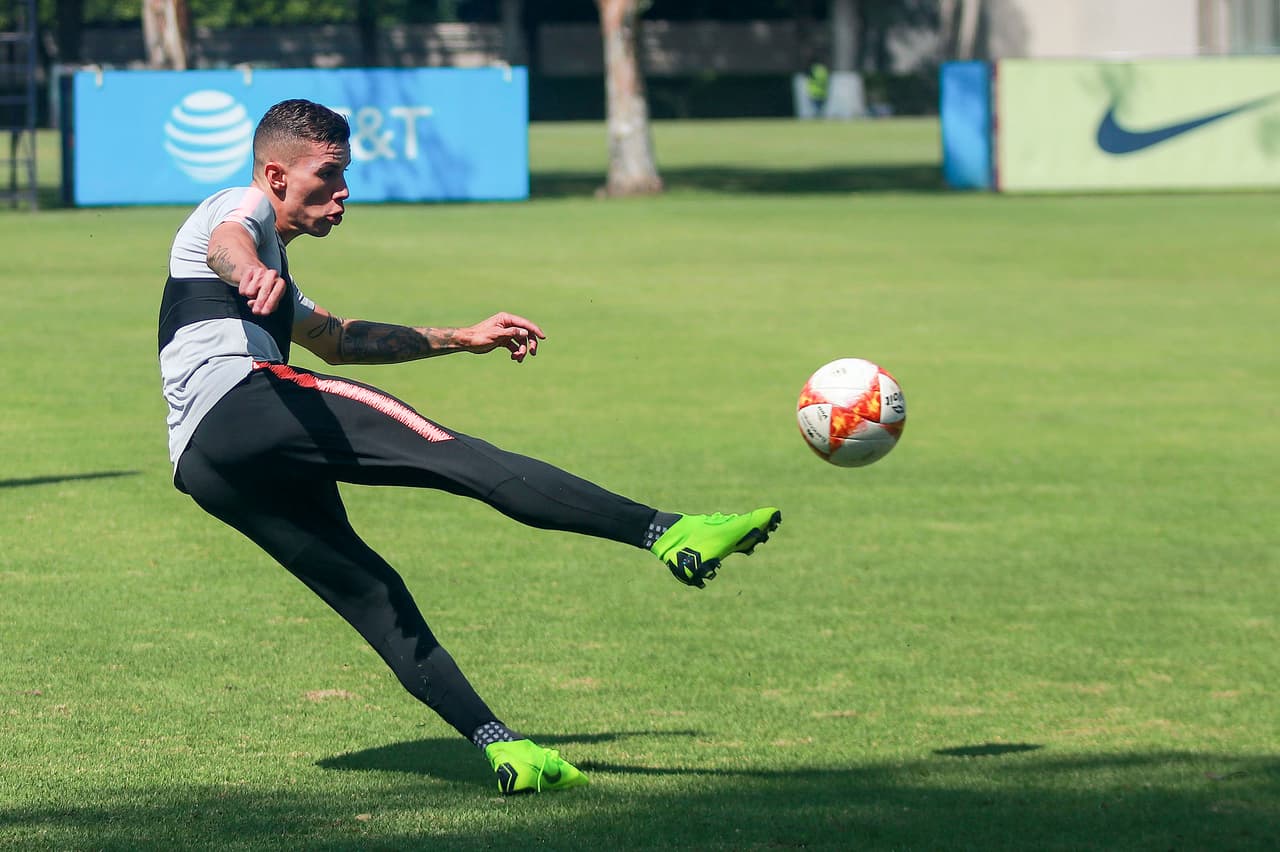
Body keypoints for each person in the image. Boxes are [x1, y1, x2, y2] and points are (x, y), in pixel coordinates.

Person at [158, 99, 781, 795]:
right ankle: (670, 532)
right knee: (454, 456)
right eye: (327, 175)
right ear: (276, 176)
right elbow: (228, 242)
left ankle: (504, 749)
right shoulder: (234, 210)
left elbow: (337, 340)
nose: (343, 193)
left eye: (346, 175)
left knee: (371, 592)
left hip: (205, 462)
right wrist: (246, 270)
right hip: (247, 398)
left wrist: (463, 337)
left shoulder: (279, 275)